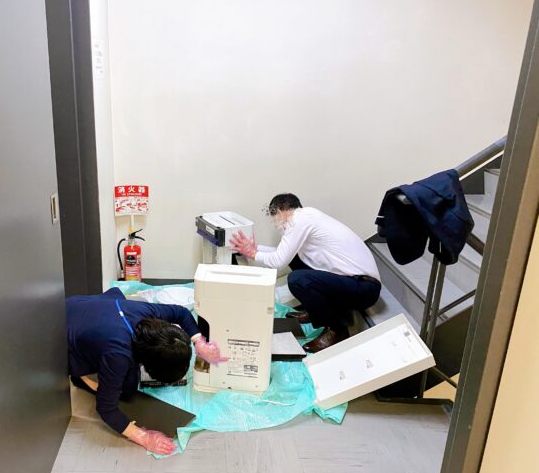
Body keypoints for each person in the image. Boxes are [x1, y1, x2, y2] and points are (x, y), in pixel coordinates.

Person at [66, 287, 226, 455]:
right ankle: (82, 378)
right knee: (125, 391)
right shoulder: (118, 356)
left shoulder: (145, 314)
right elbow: (106, 408)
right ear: (150, 368)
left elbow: (182, 313)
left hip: (82, 308)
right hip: (60, 331)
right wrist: (143, 437)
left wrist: (199, 342)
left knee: (127, 381)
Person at [230, 193, 381, 352]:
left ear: (281, 210)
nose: (278, 226)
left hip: (364, 289)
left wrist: (253, 253)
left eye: (276, 220)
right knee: (295, 259)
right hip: (354, 283)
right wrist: (255, 249)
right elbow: (282, 253)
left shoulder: (299, 219)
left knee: (297, 279)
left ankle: (337, 330)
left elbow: (279, 261)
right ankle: (315, 311)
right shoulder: (308, 217)